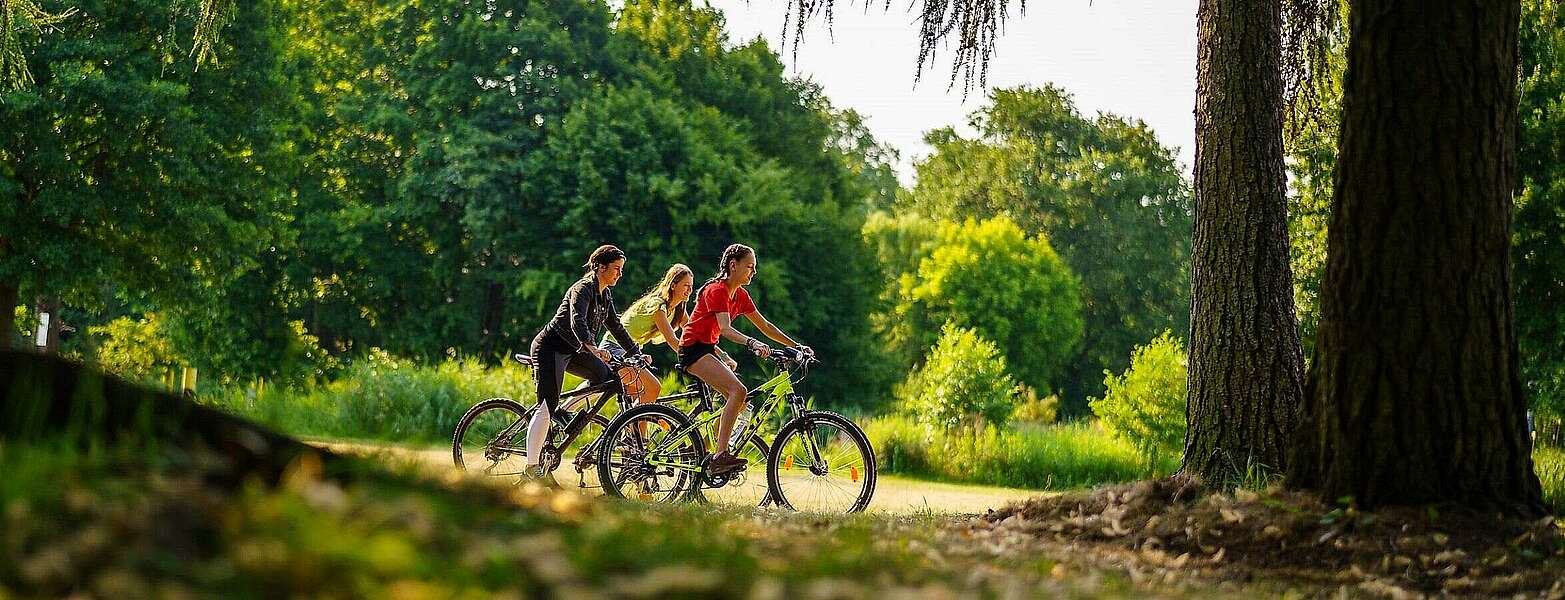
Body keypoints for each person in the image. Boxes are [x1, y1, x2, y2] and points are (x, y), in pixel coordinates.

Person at [678, 243, 809, 476]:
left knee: (739, 399)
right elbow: (726, 329)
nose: (754, 272)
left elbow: (766, 326)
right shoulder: (716, 290)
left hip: (707, 349)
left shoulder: (740, 295)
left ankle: (698, 452)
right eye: (750, 267)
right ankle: (720, 456)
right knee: (738, 391)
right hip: (693, 350)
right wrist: (753, 343)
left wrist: (795, 346)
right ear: (733, 265)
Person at [522, 245, 648, 485]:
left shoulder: (605, 295)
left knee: (605, 378)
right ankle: (531, 468)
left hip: (574, 350)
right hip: (551, 348)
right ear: (601, 267)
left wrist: (636, 352)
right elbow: (577, 320)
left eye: (621, 270)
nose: (620, 274)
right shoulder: (582, 289)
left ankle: (564, 411)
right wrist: (593, 347)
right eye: (616, 269)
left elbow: (616, 327)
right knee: (546, 406)